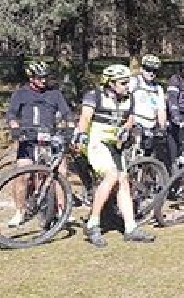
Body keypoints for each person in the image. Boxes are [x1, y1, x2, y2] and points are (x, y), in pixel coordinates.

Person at [74, 64, 155, 247]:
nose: (127, 86)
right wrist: (80, 133)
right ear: (110, 83)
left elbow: (130, 118)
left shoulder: (128, 98)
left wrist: (126, 128)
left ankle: (130, 227)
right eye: (123, 83)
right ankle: (93, 223)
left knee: (123, 180)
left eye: (128, 82)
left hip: (114, 145)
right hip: (96, 143)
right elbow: (85, 117)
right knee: (112, 175)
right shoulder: (94, 95)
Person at [5, 61, 73, 227]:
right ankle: (19, 211)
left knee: (61, 172)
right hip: (28, 138)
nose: (43, 81)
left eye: (45, 78)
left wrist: (70, 129)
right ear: (31, 78)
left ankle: (62, 210)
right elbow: (12, 115)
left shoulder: (55, 94)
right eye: (39, 78)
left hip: (50, 138)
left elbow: (67, 114)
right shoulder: (21, 94)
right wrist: (15, 128)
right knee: (22, 174)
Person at [129, 54, 167, 155]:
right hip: (136, 124)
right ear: (142, 69)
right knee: (133, 154)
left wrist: (162, 128)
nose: (151, 73)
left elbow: (161, 110)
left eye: (154, 71)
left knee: (148, 156)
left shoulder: (158, 88)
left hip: (151, 127)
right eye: (148, 69)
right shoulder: (133, 82)